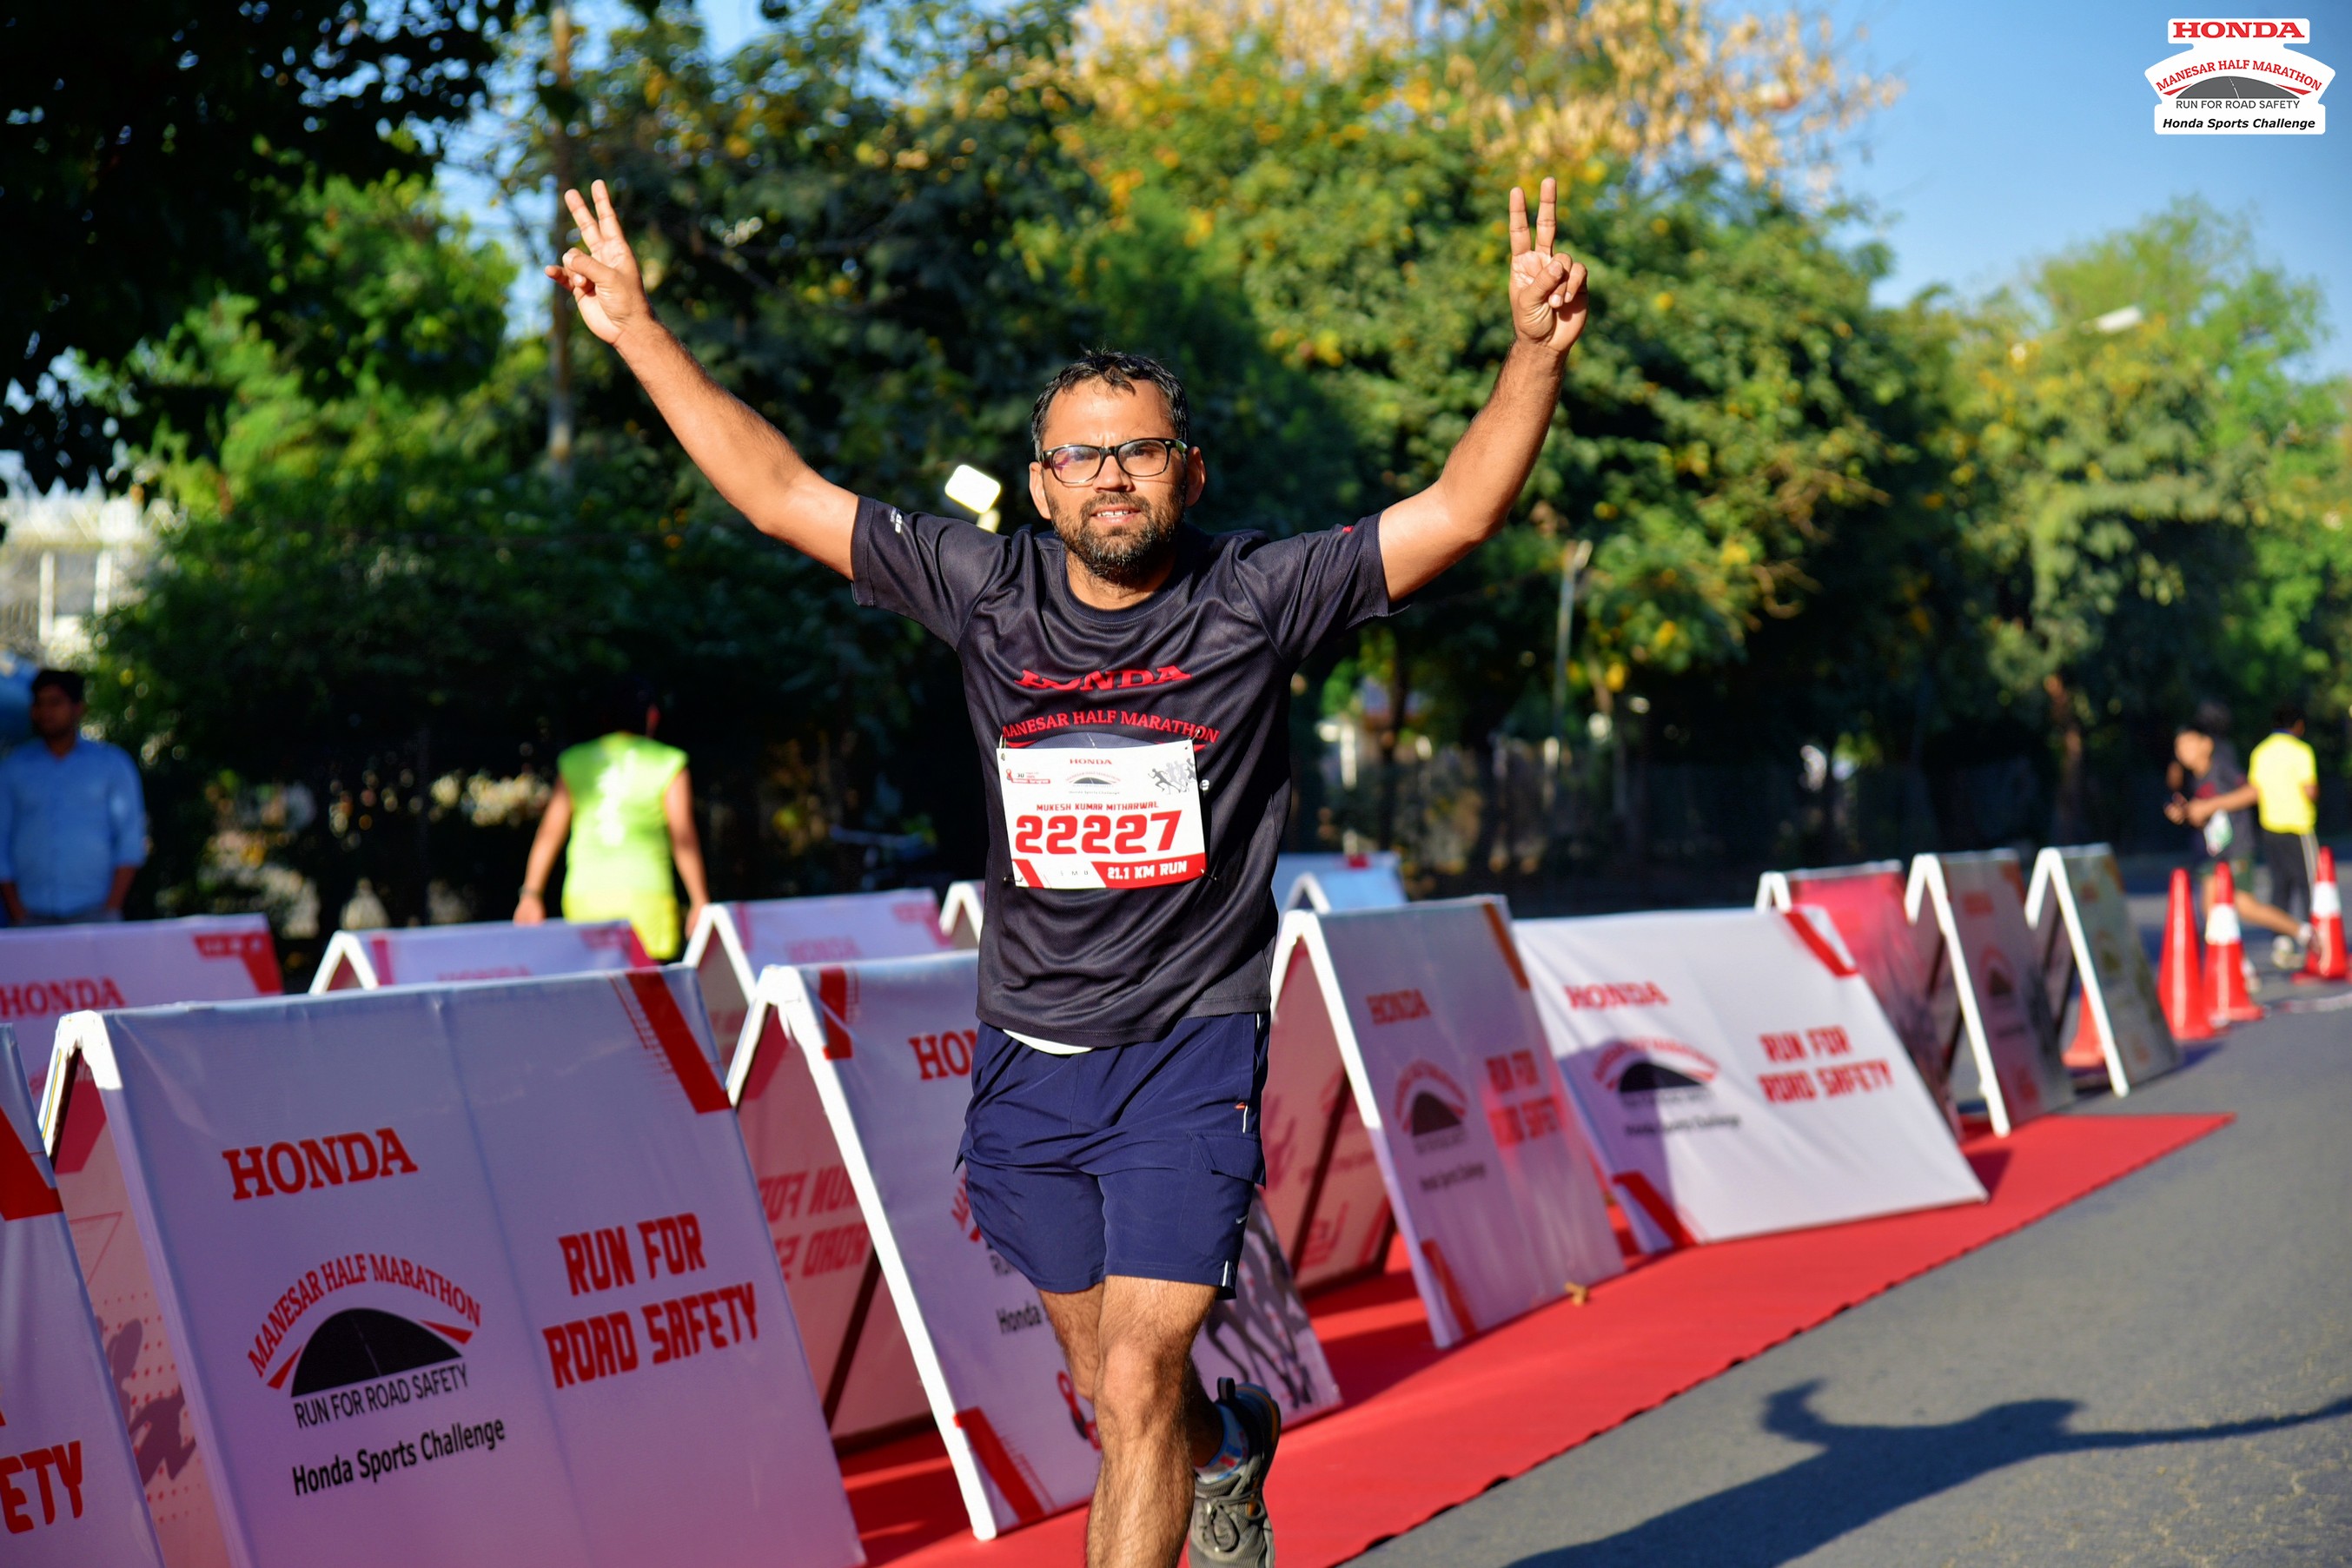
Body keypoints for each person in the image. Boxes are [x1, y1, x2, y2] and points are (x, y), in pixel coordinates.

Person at [548, 175, 1588, 1568]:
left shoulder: (1252, 595)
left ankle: (1190, 1449)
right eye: (1081, 456)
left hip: (1190, 1046)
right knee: (1116, 1392)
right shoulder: (985, 587)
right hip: (1030, 1053)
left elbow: (1455, 511)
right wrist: (634, 332)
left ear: (1187, 473)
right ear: (1040, 484)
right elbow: (779, 492)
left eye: (1139, 452)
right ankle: (1226, 1450)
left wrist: (1531, 353)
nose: (1110, 476)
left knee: (1140, 1381)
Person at [515, 674, 711, 961]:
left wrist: (531, 894)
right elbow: (683, 836)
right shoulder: (668, 761)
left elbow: (550, 832)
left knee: (593, 986)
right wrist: (699, 900)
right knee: (648, 987)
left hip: (585, 896)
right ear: (652, 717)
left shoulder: (575, 760)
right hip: (646, 896)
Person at [0, 668, 148, 924]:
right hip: (30, 915)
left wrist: (110, 909)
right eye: (39, 703)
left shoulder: (112, 765)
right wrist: (18, 913)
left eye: (55, 703)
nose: (46, 712)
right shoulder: (14, 769)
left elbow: (130, 842)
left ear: (78, 708)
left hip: (95, 913)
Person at [2166, 716, 2305, 961]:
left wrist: (2210, 806)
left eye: (2189, 743)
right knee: (2209, 909)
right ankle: (2236, 966)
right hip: (2211, 851)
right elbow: (2197, 815)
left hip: (2237, 846)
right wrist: (2183, 814)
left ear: (2206, 744)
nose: (2184, 751)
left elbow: (2252, 792)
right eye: (2179, 746)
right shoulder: (2189, 779)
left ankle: (2304, 932)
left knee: (2245, 906)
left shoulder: (2222, 768)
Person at [2248, 704, 2321, 966]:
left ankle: (2281, 943)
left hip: (2270, 827)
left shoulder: (2260, 752)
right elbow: (2310, 790)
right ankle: (2318, 938)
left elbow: (2254, 789)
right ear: (2298, 725)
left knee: (2280, 885)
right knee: (2310, 884)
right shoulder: (2301, 751)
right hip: (2298, 827)